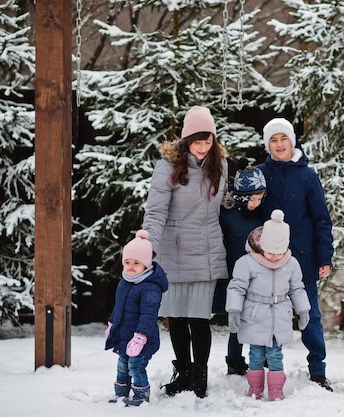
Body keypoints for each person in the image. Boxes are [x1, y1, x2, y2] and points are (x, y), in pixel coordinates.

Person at [142, 105, 228, 398]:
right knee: (177, 317)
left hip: (207, 251)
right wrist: (148, 246)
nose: (203, 148)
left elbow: (223, 205)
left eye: (208, 142)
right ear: (186, 140)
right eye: (197, 141)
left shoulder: (221, 166)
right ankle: (184, 373)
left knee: (200, 318)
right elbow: (155, 211)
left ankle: (200, 375)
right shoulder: (167, 167)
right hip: (174, 251)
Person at [257, 118, 335, 391]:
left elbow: (321, 220)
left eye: (283, 139)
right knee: (264, 314)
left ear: (292, 141)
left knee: (309, 315)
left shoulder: (307, 176)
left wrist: (324, 257)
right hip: (266, 259)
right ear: (268, 145)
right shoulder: (259, 173)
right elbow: (248, 214)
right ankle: (262, 364)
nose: (279, 145)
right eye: (273, 140)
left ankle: (317, 370)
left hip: (303, 259)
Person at [226, 210, 310, 401]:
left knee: (275, 355)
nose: (274, 257)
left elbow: (297, 288)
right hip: (255, 314)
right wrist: (234, 310)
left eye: (279, 252)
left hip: (279, 314)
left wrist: (303, 310)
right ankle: (255, 388)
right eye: (270, 252)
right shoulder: (247, 263)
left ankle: (276, 390)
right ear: (262, 245)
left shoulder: (291, 264)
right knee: (255, 354)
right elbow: (237, 287)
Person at [212, 159, 268, 375]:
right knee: (237, 319)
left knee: (258, 317)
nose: (257, 202)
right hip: (232, 274)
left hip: (258, 274)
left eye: (260, 198)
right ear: (242, 196)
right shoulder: (226, 213)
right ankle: (234, 360)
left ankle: (261, 356)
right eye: (253, 198)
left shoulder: (261, 214)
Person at [105, 229, 169, 406]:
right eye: (127, 262)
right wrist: (112, 324)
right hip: (125, 335)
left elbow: (148, 315)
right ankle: (121, 394)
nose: (131, 266)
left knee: (136, 366)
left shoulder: (150, 288)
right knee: (122, 365)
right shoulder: (124, 283)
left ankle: (141, 395)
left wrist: (140, 337)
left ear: (146, 265)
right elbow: (119, 307)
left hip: (142, 338)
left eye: (136, 262)